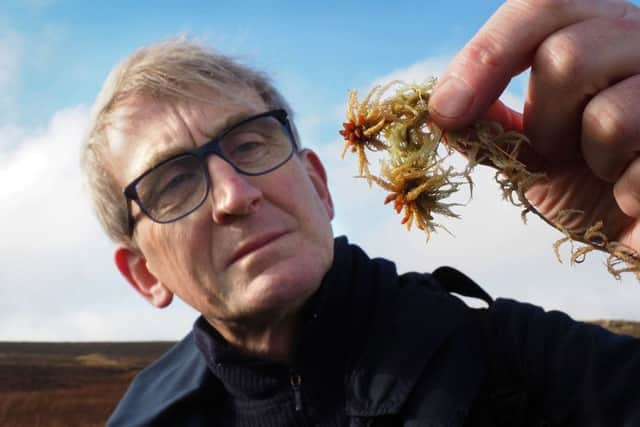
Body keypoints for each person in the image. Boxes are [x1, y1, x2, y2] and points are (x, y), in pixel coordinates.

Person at [81, 1, 640, 425]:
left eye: (250, 144)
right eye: (173, 182)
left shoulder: (522, 362)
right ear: (144, 273)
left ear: (320, 187)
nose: (235, 196)